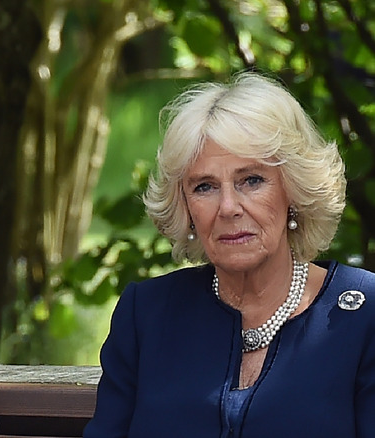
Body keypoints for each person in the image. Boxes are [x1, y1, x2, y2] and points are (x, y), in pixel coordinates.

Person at [84, 72, 375, 437]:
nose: (228, 207)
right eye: (204, 186)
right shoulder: (146, 314)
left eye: (251, 180)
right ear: (186, 207)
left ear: (294, 191)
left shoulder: (363, 315)